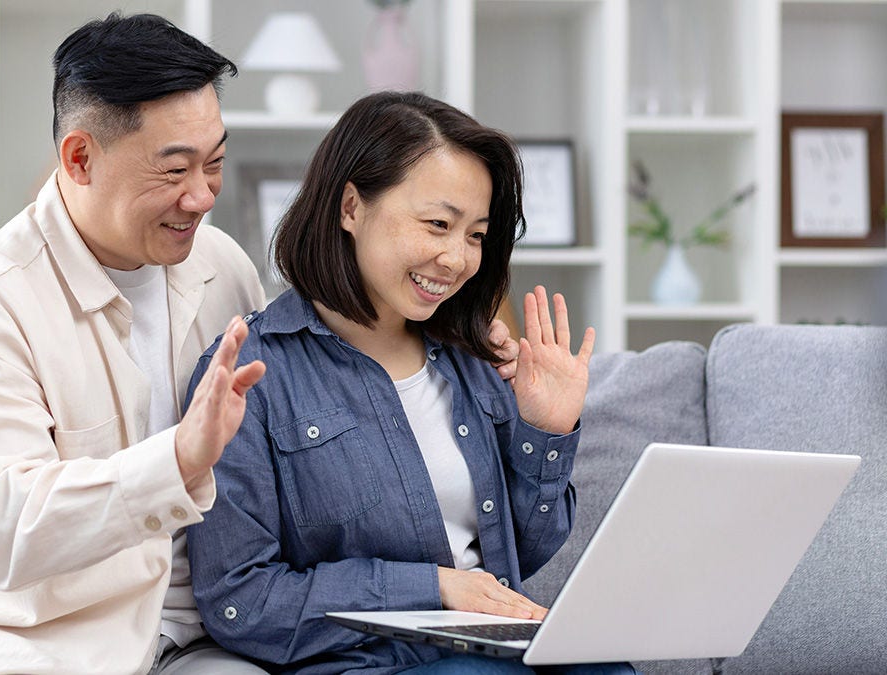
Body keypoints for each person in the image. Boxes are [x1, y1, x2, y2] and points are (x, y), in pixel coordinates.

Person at [0, 12, 521, 675]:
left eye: (215, 162)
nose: (203, 195)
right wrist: (174, 460)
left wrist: (465, 346)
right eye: (174, 170)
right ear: (80, 158)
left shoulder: (221, 268)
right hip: (26, 636)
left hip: (196, 640)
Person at [186, 91, 630, 674]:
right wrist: (431, 587)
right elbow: (240, 601)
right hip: (372, 664)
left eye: (475, 235)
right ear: (351, 207)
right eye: (438, 225)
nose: (457, 259)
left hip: (496, 650)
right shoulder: (255, 375)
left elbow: (522, 555)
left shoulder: (474, 358)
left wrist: (544, 428)